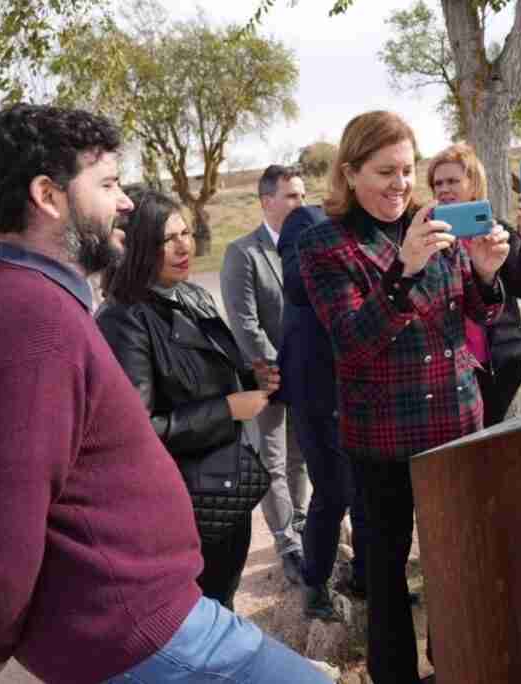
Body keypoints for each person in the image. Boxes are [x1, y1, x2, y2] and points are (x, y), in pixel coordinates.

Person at [0, 103, 328, 684]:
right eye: (109, 184)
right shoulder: (31, 323)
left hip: (134, 618)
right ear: (48, 195)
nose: (124, 202)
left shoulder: (27, 298)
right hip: (134, 627)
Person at [298, 111, 509, 684]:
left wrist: (488, 276)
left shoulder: (434, 223)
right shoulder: (324, 243)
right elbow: (352, 342)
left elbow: (476, 314)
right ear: (350, 173)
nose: (401, 184)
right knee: (387, 574)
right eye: (385, 171)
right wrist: (404, 269)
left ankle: (456, 663)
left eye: (408, 169)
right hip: (383, 439)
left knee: (453, 562)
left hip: (455, 426)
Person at [96, 186, 275, 611]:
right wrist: (228, 409)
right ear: (138, 247)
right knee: (197, 614)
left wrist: (251, 376)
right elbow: (139, 432)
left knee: (222, 602)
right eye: (167, 239)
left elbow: (209, 369)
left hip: (226, 489)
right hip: (182, 504)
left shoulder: (192, 294)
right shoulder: (124, 319)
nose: (184, 247)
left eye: (186, 234)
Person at [277, 203, 368, 621]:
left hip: (365, 387)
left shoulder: (381, 225)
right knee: (333, 494)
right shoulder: (306, 220)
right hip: (315, 388)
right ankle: (315, 584)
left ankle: (366, 577)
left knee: (370, 490)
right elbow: (297, 283)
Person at [221, 164, 310, 584]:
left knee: (300, 458)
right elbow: (245, 324)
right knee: (272, 462)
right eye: (291, 196)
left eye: (302, 195)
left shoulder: (310, 244)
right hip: (266, 377)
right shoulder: (243, 253)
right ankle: (286, 544)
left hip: (307, 376)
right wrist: (279, 367)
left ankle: (305, 526)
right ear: (266, 201)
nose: (300, 203)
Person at [427, 142, 521, 425]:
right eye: (437, 183)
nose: (443, 189)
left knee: (494, 450)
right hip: (447, 370)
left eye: (453, 180)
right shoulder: (426, 236)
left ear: (473, 183)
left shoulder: (498, 230)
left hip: (500, 365)